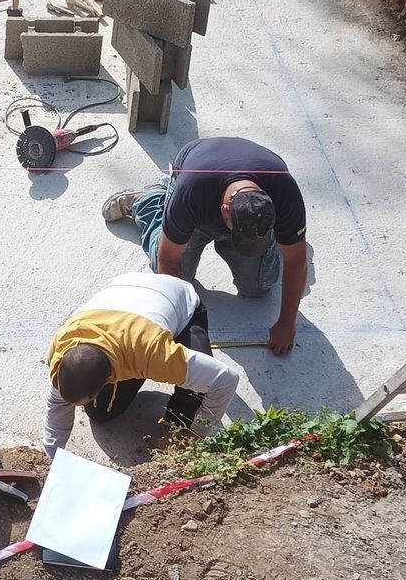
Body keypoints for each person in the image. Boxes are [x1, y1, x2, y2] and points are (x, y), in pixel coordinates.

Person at [102, 135, 309, 356]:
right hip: (197, 192)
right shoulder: (190, 194)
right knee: (177, 279)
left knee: (259, 288)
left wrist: (287, 324)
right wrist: (180, 325)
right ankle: (149, 201)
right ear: (225, 211)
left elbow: (297, 262)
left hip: (236, 196)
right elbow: (168, 259)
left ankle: (283, 235)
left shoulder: (284, 191)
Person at [42, 271, 241, 457]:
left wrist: (197, 433)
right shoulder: (62, 346)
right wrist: (53, 456)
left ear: (109, 378)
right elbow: (58, 402)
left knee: (196, 391)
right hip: (125, 292)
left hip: (177, 299)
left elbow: (225, 379)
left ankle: (181, 426)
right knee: (100, 412)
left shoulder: (154, 353)